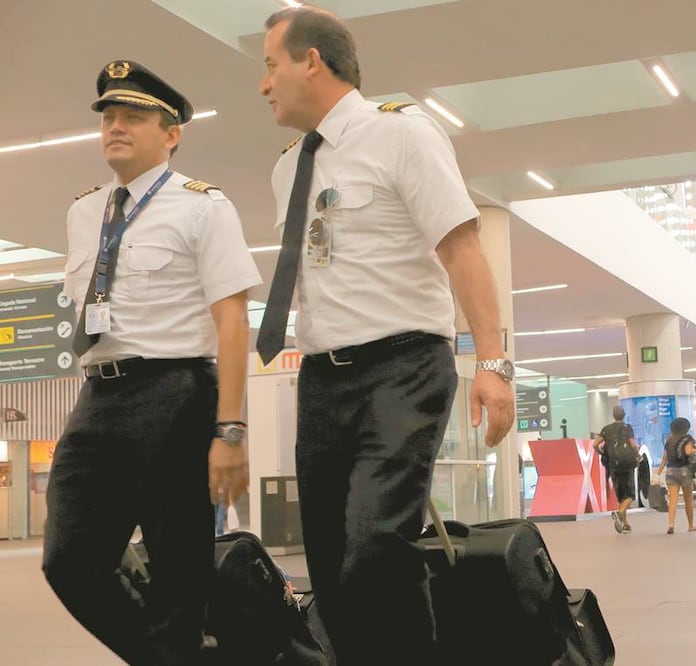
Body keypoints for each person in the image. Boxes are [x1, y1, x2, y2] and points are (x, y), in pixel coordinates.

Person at [257, 7, 515, 665]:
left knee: (374, 545)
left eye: (270, 66)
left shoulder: (403, 135)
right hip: (322, 378)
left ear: (311, 60)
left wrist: (493, 362)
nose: (264, 85)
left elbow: (463, 250)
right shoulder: (289, 168)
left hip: (402, 366)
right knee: (330, 563)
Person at [41, 61, 261, 665]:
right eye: (108, 117)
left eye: (133, 117)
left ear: (172, 133)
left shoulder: (203, 208)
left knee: (178, 569)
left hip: (177, 393)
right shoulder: (84, 212)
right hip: (99, 397)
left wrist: (230, 428)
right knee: (69, 560)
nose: (115, 127)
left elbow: (233, 322)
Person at [594, 406, 640, 534]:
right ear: (624, 415)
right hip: (626, 464)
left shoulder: (606, 429)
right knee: (630, 495)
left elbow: (595, 444)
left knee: (621, 496)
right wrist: (637, 453)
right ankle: (620, 514)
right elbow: (632, 444)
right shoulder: (627, 428)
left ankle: (625, 525)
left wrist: (602, 452)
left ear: (613, 415)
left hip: (613, 464)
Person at [656, 417, 696, 534]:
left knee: (673, 499)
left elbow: (665, 458)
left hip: (670, 471)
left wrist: (659, 471)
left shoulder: (669, 440)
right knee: (688, 499)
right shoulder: (687, 439)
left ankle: (671, 524)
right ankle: (690, 525)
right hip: (684, 470)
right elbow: (688, 451)